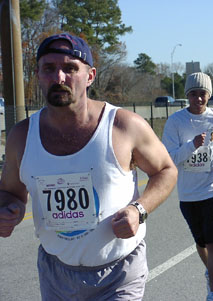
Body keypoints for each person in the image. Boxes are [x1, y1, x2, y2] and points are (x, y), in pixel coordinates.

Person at [0, 33, 177, 300]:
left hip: (119, 273)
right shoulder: (21, 136)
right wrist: (8, 210)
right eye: (49, 68)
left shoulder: (123, 126)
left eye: (70, 68)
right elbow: (11, 192)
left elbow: (166, 170)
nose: (59, 78)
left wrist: (139, 210)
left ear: (90, 76)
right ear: (38, 74)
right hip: (56, 273)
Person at [162, 72, 213, 301]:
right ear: (187, 95)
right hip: (188, 192)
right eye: (193, 94)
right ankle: (211, 272)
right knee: (200, 241)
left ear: (209, 95)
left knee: (212, 240)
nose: (198, 99)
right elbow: (169, 158)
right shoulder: (175, 122)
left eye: (203, 94)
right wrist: (192, 146)